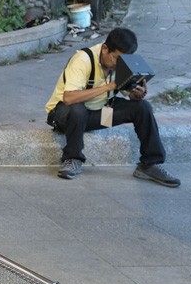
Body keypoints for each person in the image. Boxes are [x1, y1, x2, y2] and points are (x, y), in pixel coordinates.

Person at [45, 27, 180, 187]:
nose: (118, 65)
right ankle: (72, 159)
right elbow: (68, 98)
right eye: (116, 59)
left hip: (98, 115)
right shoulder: (83, 59)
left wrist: (136, 94)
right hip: (63, 117)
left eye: (122, 61)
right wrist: (109, 87)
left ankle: (150, 164)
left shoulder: (119, 63)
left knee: (142, 107)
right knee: (77, 109)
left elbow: (125, 92)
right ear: (105, 49)